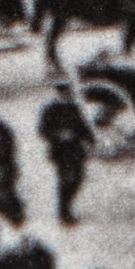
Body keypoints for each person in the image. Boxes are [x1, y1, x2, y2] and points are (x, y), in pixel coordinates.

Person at [37, 81, 95, 225]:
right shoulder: (49, 109)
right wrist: (59, 135)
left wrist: (91, 139)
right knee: (65, 180)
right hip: (60, 150)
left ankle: (67, 205)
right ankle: (64, 211)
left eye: (67, 92)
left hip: (75, 149)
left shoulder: (73, 107)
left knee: (78, 178)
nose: (65, 95)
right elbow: (42, 130)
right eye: (63, 92)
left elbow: (82, 126)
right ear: (58, 93)